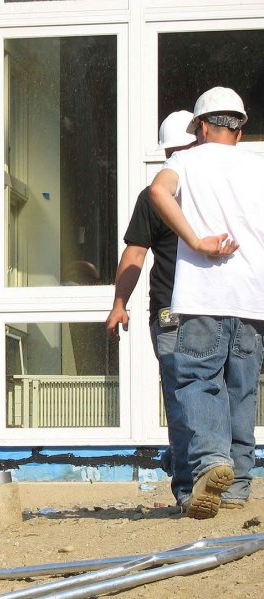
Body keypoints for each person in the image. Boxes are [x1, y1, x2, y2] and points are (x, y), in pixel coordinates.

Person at [149, 86, 264, 519]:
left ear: (200, 126)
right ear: (240, 126)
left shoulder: (184, 160)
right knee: (241, 389)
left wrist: (196, 240)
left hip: (203, 295)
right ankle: (235, 487)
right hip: (253, 300)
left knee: (197, 381)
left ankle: (211, 462)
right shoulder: (258, 167)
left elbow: (159, 193)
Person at [104, 110, 196, 476]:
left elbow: (136, 253)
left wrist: (119, 304)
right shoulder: (220, 190)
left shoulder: (154, 196)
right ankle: (220, 475)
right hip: (210, 310)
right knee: (219, 390)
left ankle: (188, 473)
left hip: (170, 310)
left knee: (179, 391)